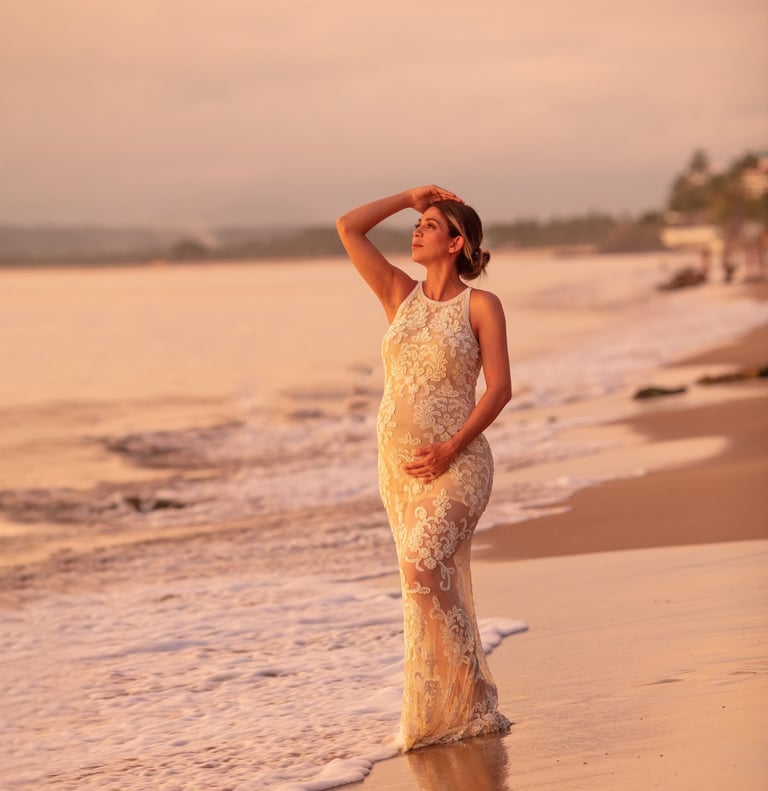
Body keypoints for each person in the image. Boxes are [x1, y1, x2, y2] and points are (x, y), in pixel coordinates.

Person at [336, 185, 513, 750]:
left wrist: (451, 447)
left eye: (430, 224)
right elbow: (347, 227)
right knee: (424, 582)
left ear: (457, 243)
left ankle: (470, 697)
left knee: (420, 567)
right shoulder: (398, 294)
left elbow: (500, 390)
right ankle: (462, 703)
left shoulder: (482, 306)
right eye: (418, 223)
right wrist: (409, 196)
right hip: (399, 469)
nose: (416, 230)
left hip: (459, 463)